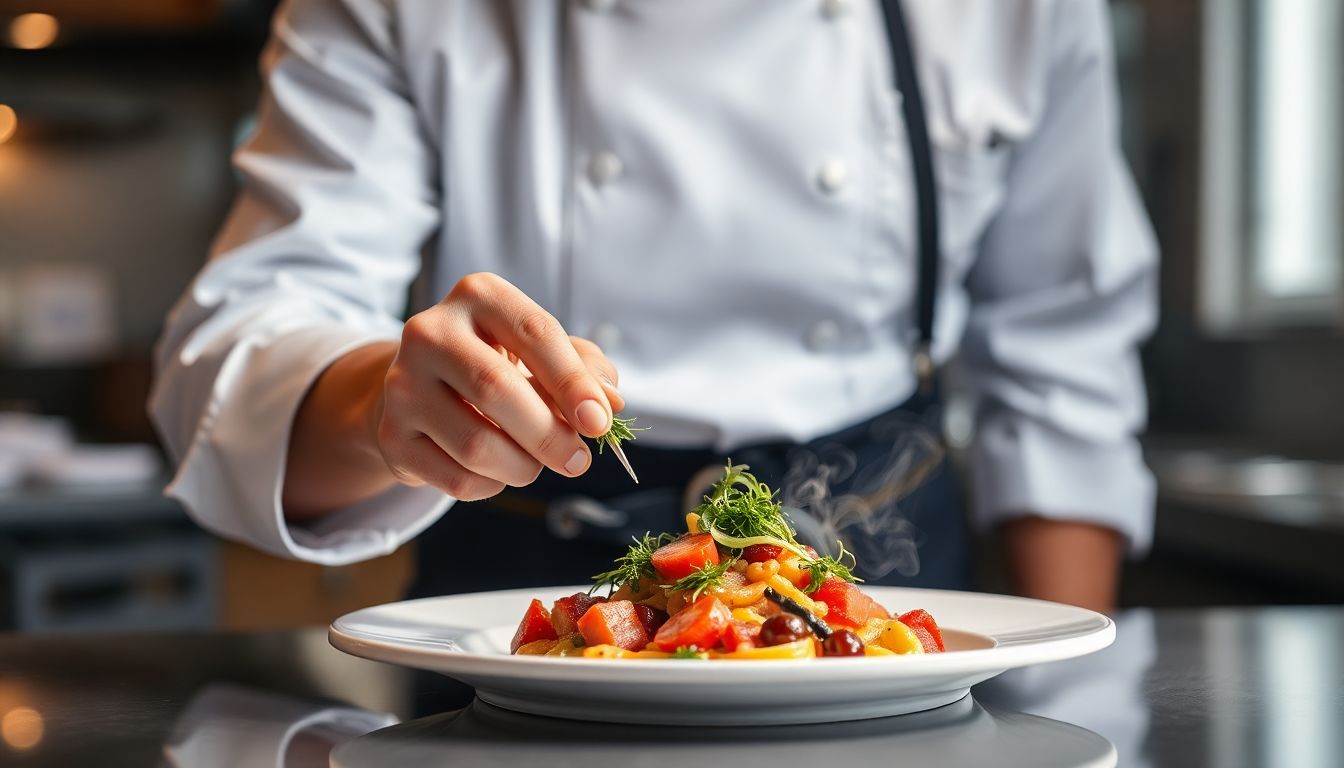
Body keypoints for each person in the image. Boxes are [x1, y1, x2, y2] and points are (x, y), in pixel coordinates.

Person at [150, 0, 1156, 613]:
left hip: (886, 594)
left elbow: (1062, 365)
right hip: (526, 611)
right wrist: (389, 403)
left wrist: (1063, 697)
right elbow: (245, 344)